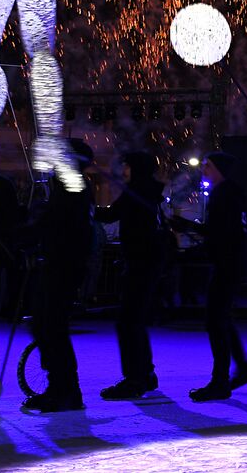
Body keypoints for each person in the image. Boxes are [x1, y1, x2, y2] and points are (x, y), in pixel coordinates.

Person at [24, 139, 96, 411]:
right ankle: (59, 386)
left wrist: (36, 225)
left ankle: (66, 390)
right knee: (45, 325)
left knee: (52, 327)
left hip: (63, 266)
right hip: (60, 264)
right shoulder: (69, 186)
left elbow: (61, 226)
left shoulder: (72, 187)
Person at [180, 152, 247, 402]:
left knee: (215, 321)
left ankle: (220, 381)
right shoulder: (231, 193)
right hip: (230, 263)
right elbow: (224, 231)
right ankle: (241, 366)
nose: (204, 170)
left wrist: (192, 233)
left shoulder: (224, 195)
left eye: (208, 166)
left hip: (227, 264)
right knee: (220, 318)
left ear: (220, 169)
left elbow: (221, 233)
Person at [97, 150, 168, 400]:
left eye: (127, 166)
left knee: (127, 322)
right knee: (134, 322)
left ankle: (134, 379)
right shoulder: (148, 191)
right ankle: (145, 374)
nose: (123, 171)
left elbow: (109, 214)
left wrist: (83, 206)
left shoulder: (136, 192)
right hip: (146, 264)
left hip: (140, 264)